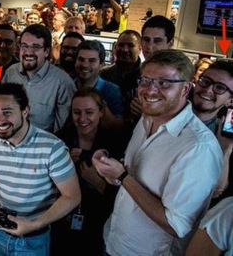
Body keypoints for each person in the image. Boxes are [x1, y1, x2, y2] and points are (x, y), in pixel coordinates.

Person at [92, 49, 223, 255]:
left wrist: (123, 176)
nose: (150, 90)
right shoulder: (146, 119)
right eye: (145, 80)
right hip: (114, 240)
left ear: (185, 89)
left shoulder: (198, 147)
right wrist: (112, 171)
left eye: (164, 83)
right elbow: (134, 178)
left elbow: (176, 225)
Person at [0, 83, 81, 256]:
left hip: (34, 239)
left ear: (25, 111)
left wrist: (34, 224)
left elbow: (73, 196)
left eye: (7, 112)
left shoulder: (52, 147)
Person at [54, 87, 129, 256]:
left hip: (98, 223)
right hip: (62, 220)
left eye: (89, 112)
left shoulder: (115, 143)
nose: (82, 119)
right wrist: (63, 168)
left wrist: (99, 183)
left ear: (101, 112)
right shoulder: (60, 139)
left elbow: (124, 196)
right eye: (76, 112)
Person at [2, 24, 76, 133]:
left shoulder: (62, 82)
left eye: (35, 47)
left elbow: (62, 131)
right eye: (24, 46)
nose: (28, 52)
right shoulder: (11, 73)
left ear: (46, 51)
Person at [191, 59, 233, 204]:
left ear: (230, 100)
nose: (208, 90)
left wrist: (225, 150)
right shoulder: (168, 116)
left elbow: (217, 189)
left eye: (220, 88)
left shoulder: (224, 136)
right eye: (205, 81)